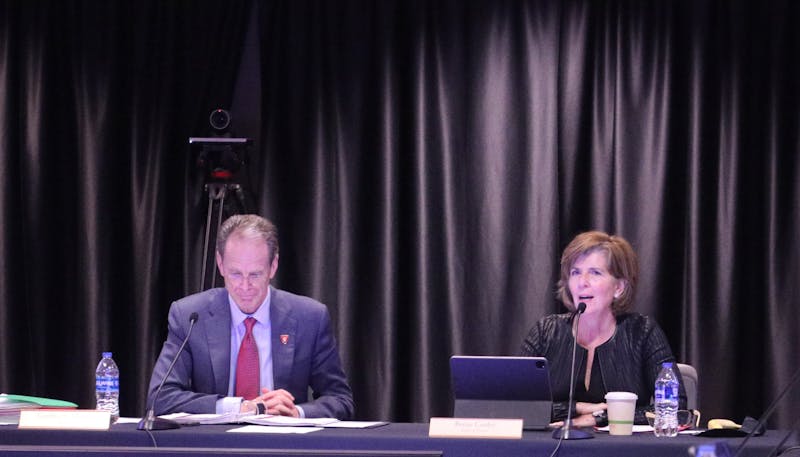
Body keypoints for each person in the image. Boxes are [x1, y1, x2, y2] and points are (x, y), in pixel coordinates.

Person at [145, 214, 354, 420]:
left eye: (255, 274)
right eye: (235, 274)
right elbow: (160, 398)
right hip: (214, 446)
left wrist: (296, 413)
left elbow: (340, 400)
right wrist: (238, 407)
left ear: (273, 266)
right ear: (220, 263)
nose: (245, 286)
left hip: (282, 446)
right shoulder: (190, 316)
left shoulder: (310, 318)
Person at [519, 230, 686, 428]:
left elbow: (676, 408)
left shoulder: (642, 332)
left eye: (595, 273)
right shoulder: (545, 331)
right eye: (575, 272)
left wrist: (598, 418)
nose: (582, 283)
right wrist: (576, 409)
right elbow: (515, 404)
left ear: (619, 288)